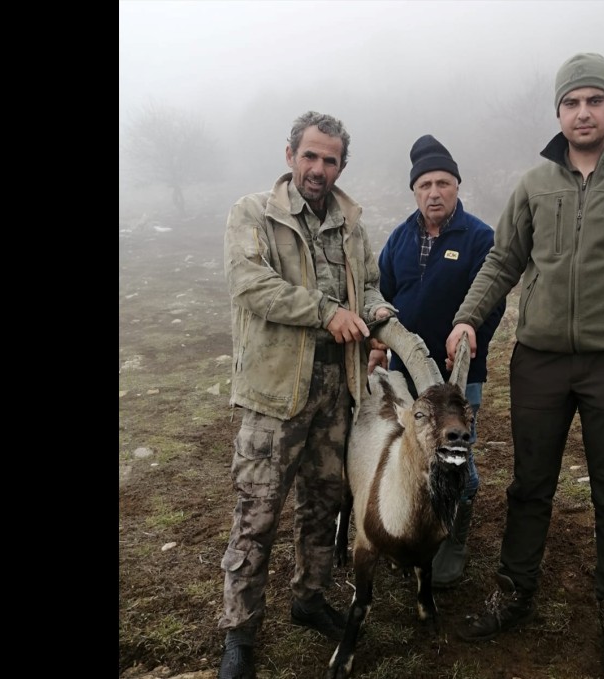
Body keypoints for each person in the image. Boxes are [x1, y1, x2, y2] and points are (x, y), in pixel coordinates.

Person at [445, 53, 604, 679]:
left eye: (594, 101)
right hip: (540, 362)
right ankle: (514, 591)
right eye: (572, 102)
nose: (583, 112)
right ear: (558, 112)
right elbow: (503, 261)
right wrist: (469, 317)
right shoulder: (535, 186)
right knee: (530, 485)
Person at [216, 111, 395, 679]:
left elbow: (366, 283)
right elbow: (252, 287)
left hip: (335, 393)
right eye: (310, 156)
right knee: (257, 514)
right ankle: (240, 632)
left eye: (331, 159)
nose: (319, 168)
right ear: (290, 154)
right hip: (274, 396)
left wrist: (377, 313)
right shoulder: (254, 214)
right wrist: (327, 312)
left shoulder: (350, 222)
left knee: (324, 506)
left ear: (342, 164)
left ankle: (310, 598)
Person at [374, 134, 505, 588]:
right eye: (425, 184)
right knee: (407, 457)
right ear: (414, 191)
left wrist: (469, 340)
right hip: (404, 379)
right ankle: (411, 528)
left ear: (457, 186)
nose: (434, 192)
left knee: (456, 463)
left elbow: (492, 302)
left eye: (443, 183)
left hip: (459, 379)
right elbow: (383, 294)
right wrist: (378, 339)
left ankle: (453, 539)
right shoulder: (398, 239)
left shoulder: (479, 238)